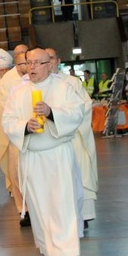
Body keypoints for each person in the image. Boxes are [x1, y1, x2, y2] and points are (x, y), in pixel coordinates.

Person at [2, 48, 86, 256]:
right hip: (33, 156)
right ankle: (49, 252)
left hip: (57, 155)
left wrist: (51, 113)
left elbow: (77, 113)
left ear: (50, 64)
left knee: (61, 205)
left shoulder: (63, 88)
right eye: (29, 63)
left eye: (38, 63)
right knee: (40, 209)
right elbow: (7, 120)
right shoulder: (18, 93)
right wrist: (24, 127)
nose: (32, 68)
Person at [47, 49, 98, 225]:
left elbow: (84, 107)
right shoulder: (38, 85)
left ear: (58, 61)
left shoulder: (71, 82)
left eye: (52, 58)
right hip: (50, 141)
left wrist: (65, 121)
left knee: (79, 174)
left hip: (74, 137)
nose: (49, 62)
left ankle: (83, 214)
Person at [0, 45, 29, 224]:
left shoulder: (37, 76)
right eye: (20, 62)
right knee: (16, 172)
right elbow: (2, 103)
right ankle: (24, 210)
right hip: (17, 133)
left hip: (38, 135)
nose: (25, 67)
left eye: (27, 62)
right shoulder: (8, 80)